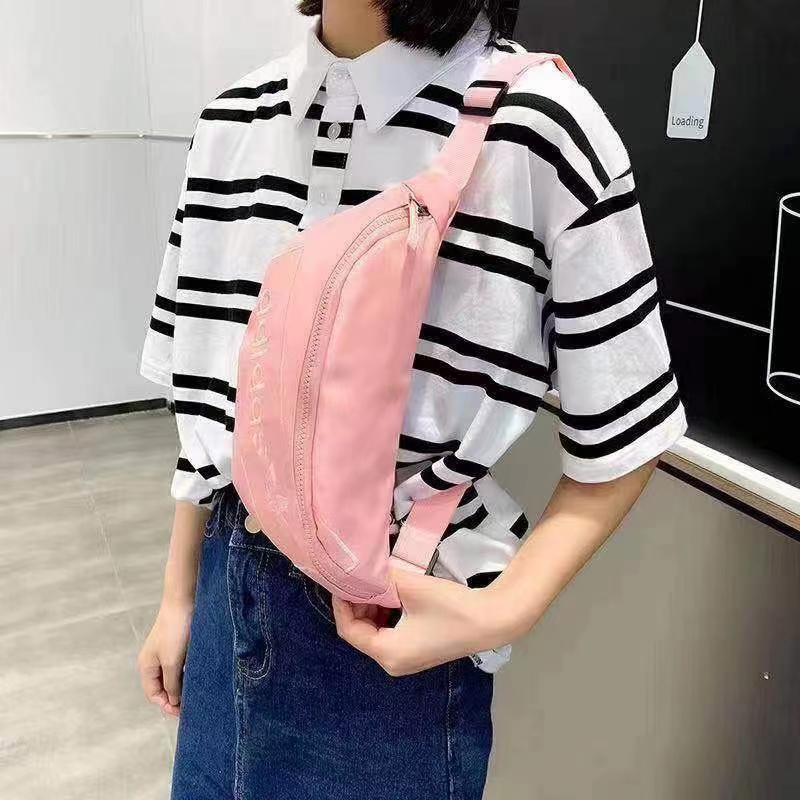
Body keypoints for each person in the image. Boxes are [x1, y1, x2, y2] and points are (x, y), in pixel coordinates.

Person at [137, 1, 687, 798]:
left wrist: (507, 610)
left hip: (391, 631)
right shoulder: (231, 121)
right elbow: (214, 409)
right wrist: (179, 594)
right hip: (228, 590)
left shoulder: (537, 126)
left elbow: (631, 427)